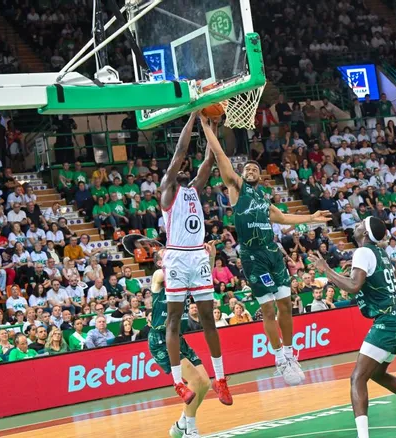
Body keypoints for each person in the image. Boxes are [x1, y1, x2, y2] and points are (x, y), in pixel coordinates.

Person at [200, 114, 331, 386]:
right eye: (246, 169)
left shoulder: (262, 197)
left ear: (260, 176)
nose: (249, 171)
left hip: (272, 253)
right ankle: (279, 357)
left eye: (253, 170)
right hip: (251, 256)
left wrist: (312, 218)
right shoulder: (236, 188)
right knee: (268, 308)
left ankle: (290, 353)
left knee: (286, 305)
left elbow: (282, 219)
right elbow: (222, 155)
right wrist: (206, 127)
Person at [308, 217, 396, 437]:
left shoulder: (363, 252)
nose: (357, 224)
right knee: (378, 373)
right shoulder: (381, 253)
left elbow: (353, 286)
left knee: (357, 378)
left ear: (365, 233)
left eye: (361, 223)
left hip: (389, 319)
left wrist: (326, 270)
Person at [158, 112, 232, 406]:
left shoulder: (193, 190)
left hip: (198, 256)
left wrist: (211, 127)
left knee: (208, 320)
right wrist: (192, 116)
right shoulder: (167, 191)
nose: (181, 168)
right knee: (174, 321)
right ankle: (178, 383)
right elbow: (180, 153)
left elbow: (208, 162)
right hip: (176, 257)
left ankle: (222, 380)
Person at [149, 248, 211, 438]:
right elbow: (162, 273)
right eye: (165, 254)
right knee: (194, 381)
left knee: (205, 383)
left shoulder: (184, 278)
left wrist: (208, 256)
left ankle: (181, 423)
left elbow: (203, 272)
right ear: (160, 262)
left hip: (178, 337)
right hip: (161, 339)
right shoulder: (159, 277)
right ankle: (189, 430)